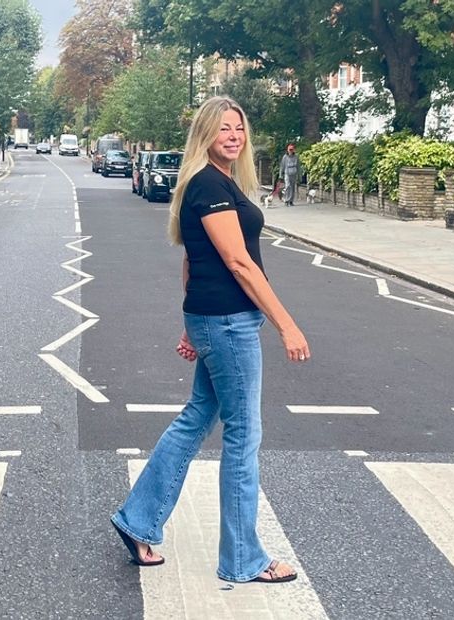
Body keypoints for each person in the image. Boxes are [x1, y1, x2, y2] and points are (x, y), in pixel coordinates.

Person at [110, 96, 309, 584]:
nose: (234, 135)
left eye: (239, 127)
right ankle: (243, 558)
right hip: (229, 323)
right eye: (224, 128)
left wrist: (190, 325)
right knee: (243, 437)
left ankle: (138, 519)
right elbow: (238, 263)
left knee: (198, 417)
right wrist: (286, 323)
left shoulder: (214, 184)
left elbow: (192, 262)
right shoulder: (210, 187)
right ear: (206, 134)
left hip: (213, 320)